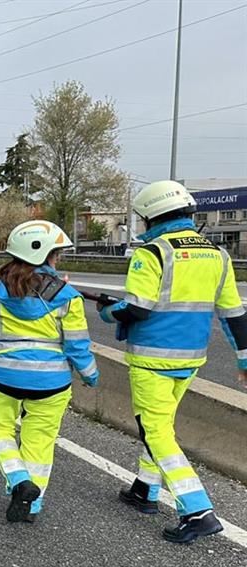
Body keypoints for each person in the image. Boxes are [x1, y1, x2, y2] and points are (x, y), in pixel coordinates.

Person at [99, 180, 247, 544]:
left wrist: (106, 312)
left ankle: (198, 511)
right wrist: (244, 359)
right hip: (191, 359)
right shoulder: (217, 254)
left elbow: (137, 307)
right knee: (161, 424)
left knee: (157, 432)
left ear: (150, 216)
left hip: (152, 359)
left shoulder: (152, 253)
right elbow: (234, 315)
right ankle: (145, 491)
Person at [0, 220, 98, 524]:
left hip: (1, 378)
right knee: (40, 441)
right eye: (56, 254)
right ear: (47, 255)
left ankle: (19, 480)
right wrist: (89, 374)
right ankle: (31, 507)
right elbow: (77, 346)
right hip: (52, 382)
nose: (57, 259)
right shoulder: (68, 296)